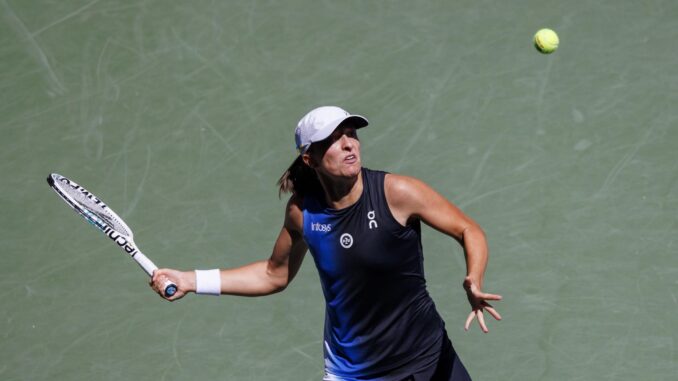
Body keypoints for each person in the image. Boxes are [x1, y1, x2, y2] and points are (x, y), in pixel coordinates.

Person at [150, 106, 502, 381]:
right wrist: (190, 280)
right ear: (310, 158)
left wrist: (474, 277)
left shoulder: (397, 193)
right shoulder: (304, 213)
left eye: (351, 134)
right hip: (355, 372)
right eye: (334, 139)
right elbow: (274, 274)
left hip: (428, 355)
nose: (349, 143)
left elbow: (469, 230)